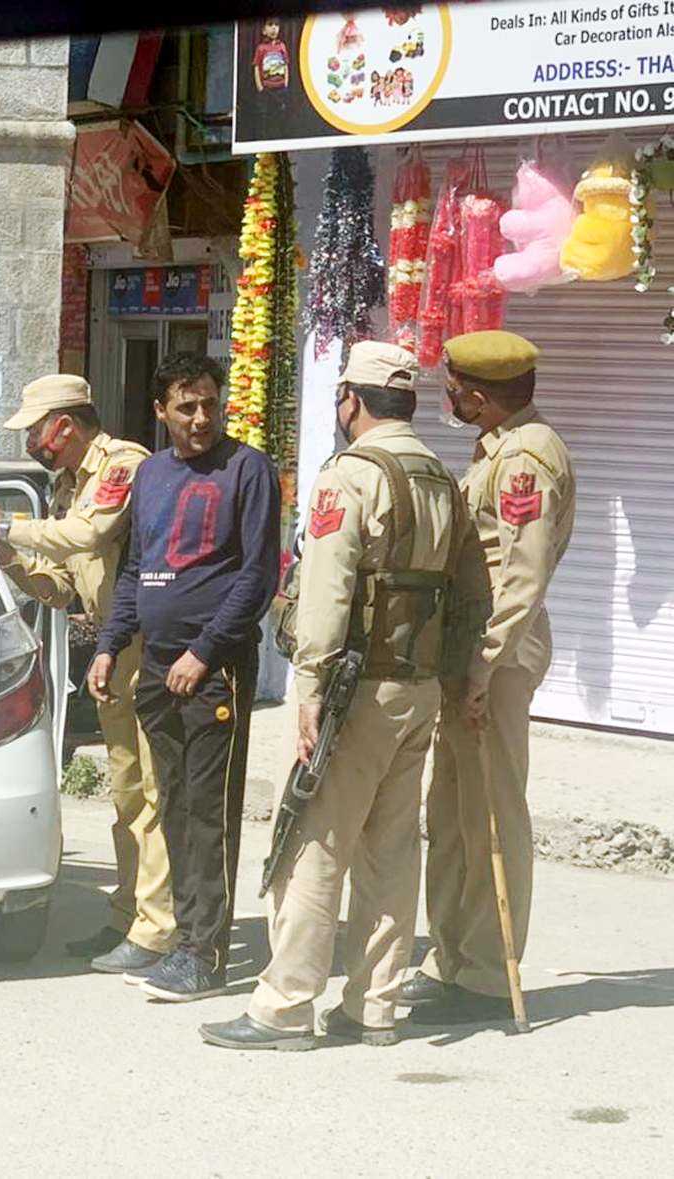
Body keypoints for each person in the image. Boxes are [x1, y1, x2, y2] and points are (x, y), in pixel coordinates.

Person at [198, 342, 488, 1051]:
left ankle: (284, 1006)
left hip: (352, 690)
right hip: (415, 687)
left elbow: (327, 592)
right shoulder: (440, 477)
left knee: (311, 842)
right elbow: (472, 591)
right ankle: (373, 1006)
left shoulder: (350, 477)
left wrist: (308, 688)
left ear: (351, 401)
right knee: (391, 851)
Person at [0, 375, 178, 976]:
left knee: (152, 793)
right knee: (128, 791)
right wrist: (8, 558)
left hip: (144, 642)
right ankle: (128, 913)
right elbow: (62, 586)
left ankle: (157, 927)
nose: (33, 443)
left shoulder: (121, 462)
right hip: (111, 644)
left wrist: (6, 526)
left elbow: (90, 534)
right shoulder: (66, 486)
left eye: (37, 431)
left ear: (67, 424)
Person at [89, 354, 280, 1002]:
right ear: (161, 411)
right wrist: (111, 645)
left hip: (212, 668)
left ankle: (206, 955)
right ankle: (183, 938)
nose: (200, 417)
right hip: (155, 666)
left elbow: (256, 575)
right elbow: (135, 568)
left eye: (208, 403)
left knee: (208, 813)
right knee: (170, 805)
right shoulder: (150, 474)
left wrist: (203, 651)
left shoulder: (245, 468)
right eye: (185, 405)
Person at [399, 330, 577, 1025]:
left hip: (494, 658)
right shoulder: (498, 450)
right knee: (450, 812)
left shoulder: (527, 457)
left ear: (475, 394)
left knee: (490, 813)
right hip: (469, 651)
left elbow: (521, 577)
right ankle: (448, 957)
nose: (446, 398)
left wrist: (482, 666)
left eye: (451, 388)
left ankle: (480, 972)